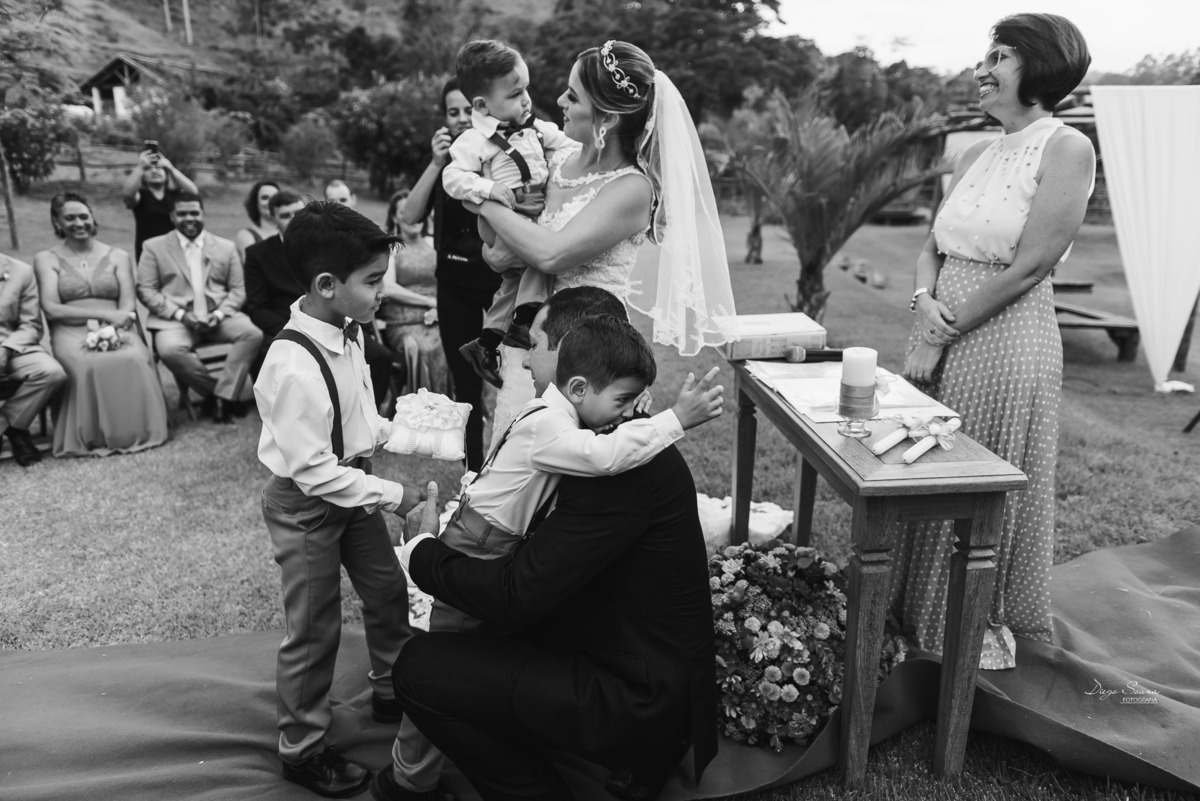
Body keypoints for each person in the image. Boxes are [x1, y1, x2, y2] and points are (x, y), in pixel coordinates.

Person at [373, 285, 724, 801]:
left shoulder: (612, 459)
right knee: (469, 645)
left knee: (420, 669)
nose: (524, 358)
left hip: (635, 695)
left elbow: (516, 595)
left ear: (573, 359)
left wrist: (422, 550)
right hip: (616, 651)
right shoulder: (602, 432)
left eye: (535, 344)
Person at [898, 13, 1095, 670]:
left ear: (1039, 65)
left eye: (999, 56)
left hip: (1006, 337)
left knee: (976, 476)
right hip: (940, 322)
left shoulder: (1066, 147)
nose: (980, 69)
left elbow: (1032, 265)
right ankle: (911, 607)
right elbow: (931, 246)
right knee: (925, 467)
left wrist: (942, 332)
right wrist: (924, 305)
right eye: (985, 56)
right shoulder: (972, 153)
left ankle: (963, 620)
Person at [475, 41, 739, 445]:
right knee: (514, 451)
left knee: (574, 459)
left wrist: (480, 197)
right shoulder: (555, 159)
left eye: (573, 96)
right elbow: (502, 253)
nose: (560, 101)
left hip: (590, 352)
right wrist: (498, 245)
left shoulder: (632, 188)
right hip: (531, 335)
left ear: (608, 117)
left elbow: (550, 253)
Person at [253, 200, 422, 799]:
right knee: (314, 627)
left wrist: (408, 432)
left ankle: (392, 689)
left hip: (350, 484)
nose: (383, 292)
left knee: (387, 589)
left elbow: (358, 416)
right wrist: (395, 495)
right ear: (327, 285)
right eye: (373, 281)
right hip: (306, 506)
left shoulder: (349, 329)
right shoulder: (294, 366)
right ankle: (301, 748)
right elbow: (312, 472)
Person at [444, 39, 573, 376]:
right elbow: (452, 177)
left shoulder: (537, 128)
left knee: (512, 283)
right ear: (482, 105)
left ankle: (486, 342)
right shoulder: (475, 140)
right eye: (515, 94)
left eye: (526, 89)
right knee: (540, 256)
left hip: (529, 209)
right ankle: (524, 320)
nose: (526, 99)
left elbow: (571, 146)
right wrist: (487, 188)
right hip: (504, 215)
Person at [402, 77, 502, 472]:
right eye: (452, 111)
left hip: (501, 282)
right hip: (454, 284)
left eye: (469, 109)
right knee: (466, 384)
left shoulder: (501, 153)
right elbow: (410, 217)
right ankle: (472, 473)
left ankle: (513, 466)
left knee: (515, 374)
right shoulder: (443, 163)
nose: (461, 118)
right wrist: (434, 163)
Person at [33, 192, 168, 457]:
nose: (79, 223)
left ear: (92, 218)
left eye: (84, 216)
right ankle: (92, 434)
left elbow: (127, 305)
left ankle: (135, 430)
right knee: (86, 362)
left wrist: (114, 322)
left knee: (131, 357)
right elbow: (51, 308)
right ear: (57, 222)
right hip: (70, 330)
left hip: (118, 325)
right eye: (70, 218)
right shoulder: (45, 259)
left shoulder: (118, 256)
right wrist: (103, 315)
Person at [136, 192, 262, 424]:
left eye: (194, 212)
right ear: (172, 216)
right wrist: (180, 314)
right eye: (182, 213)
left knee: (252, 334)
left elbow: (238, 289)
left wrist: (219, 314)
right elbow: (146, 290)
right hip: (175, 319)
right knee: (169, 350)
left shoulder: (225, 247)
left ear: (203, 214)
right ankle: (221, 396)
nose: (189, 218)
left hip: (220, 316)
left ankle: (223, 397)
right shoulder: (153, 247)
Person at [321, 179, 404, 409]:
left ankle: (370, 408)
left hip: (361, 319)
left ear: (353, 199)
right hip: (334, 317)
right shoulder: (321, 242)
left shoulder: (368, 237)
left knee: (379, 356)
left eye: (343, 199)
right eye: (332, 200)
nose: (339, 205)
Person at [0, 253, 67, 466]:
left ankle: (12, 425)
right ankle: (18, 433)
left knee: (51, 372)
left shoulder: (20, 271)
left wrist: (6, 349)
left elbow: (31, 325)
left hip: (12, 347)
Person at [379, 189, 445, 396]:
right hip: (404, 322)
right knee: (424, 348)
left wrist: (439, 308)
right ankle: (423, 406)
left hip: (438, 316)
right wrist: (429, 301)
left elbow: (446, 282)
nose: (414, 217)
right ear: (394, 217)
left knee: (453, 341)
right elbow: (388, 287)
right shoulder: (391, 247)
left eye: (419, 212)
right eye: (406, 212)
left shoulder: (434, 244)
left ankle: (453, 404)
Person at [122, 145, 200, 263]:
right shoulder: (141, 197)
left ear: (166, 173)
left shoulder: (175, 195)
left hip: (175, 252)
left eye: (159, 168)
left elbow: (194, 193)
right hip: (148, 254)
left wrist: (171, 169)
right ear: (143, 176)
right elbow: (128, 195)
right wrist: (140, 167)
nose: (155, 170)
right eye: (148, 169)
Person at [234, 180, 280, 263]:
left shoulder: (290, 232)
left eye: (275, 197)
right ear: (256, 203)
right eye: (265, 198)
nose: (270, 202)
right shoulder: (246, 235)